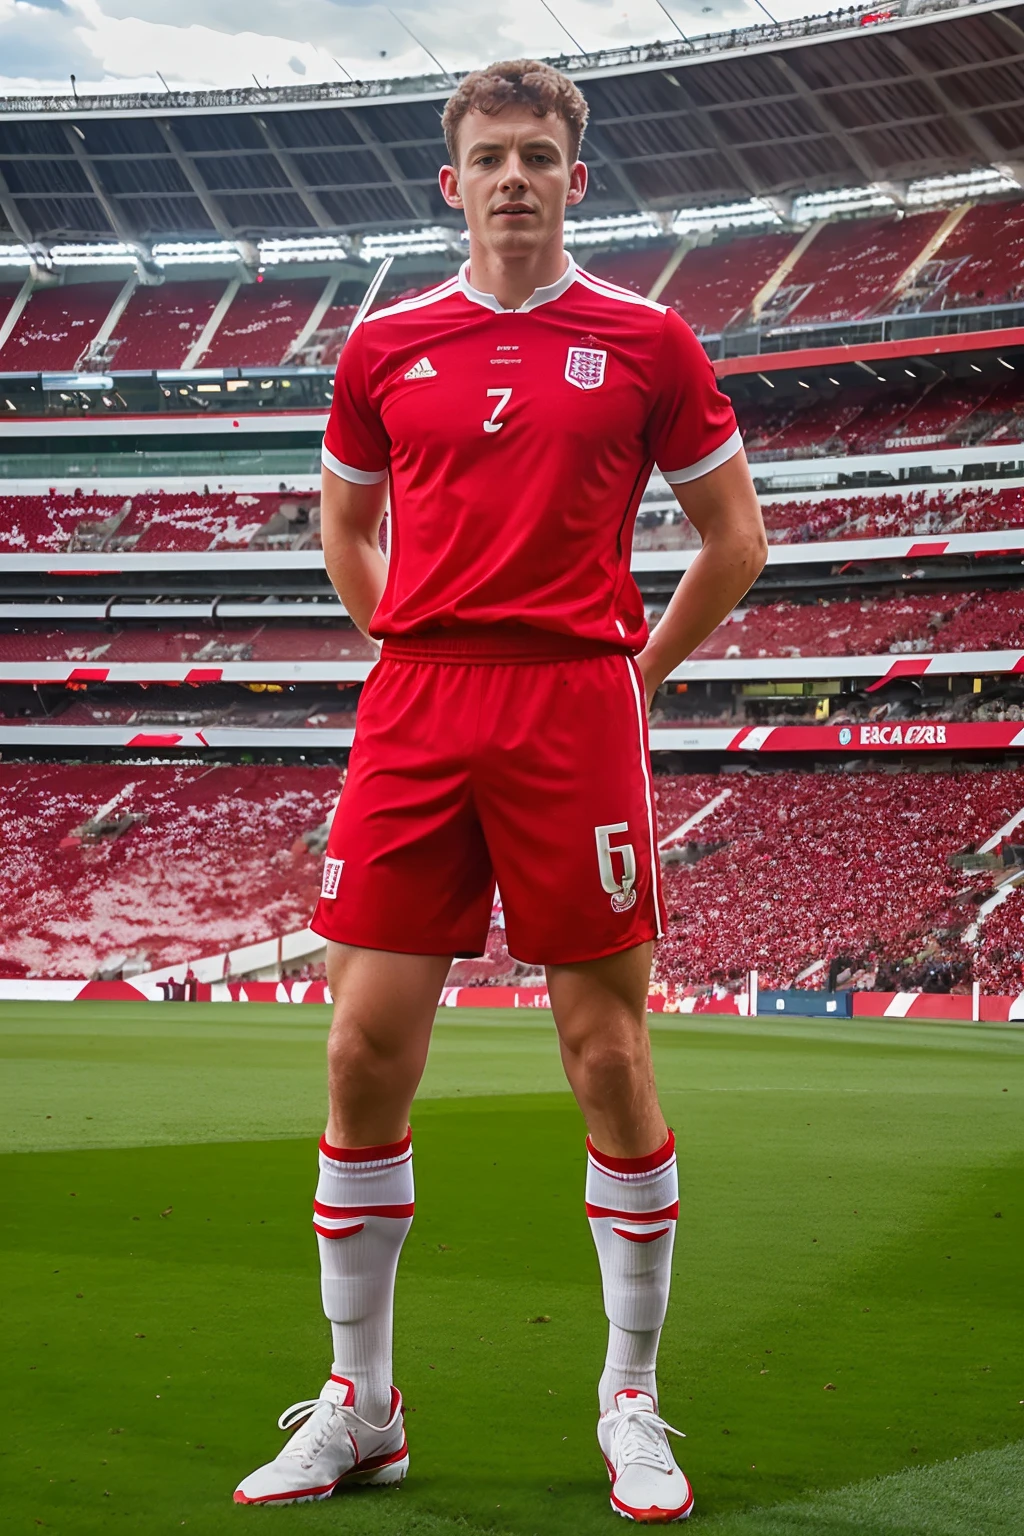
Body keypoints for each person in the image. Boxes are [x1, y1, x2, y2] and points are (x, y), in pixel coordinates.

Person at [235, 57, 767, 1521]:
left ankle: (632, 1398)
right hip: (419, 705)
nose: (517, 177)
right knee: (361, 1054)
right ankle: (363, 1403)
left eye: (541, 155)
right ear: (450, 180)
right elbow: (347, 524)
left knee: (605, 1054)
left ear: (575, 179)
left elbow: (736, 539)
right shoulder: (386, 342)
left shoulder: (648, 339)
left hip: (572, 703)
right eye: (493, 157)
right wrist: (408, 641)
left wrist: (636, 676)